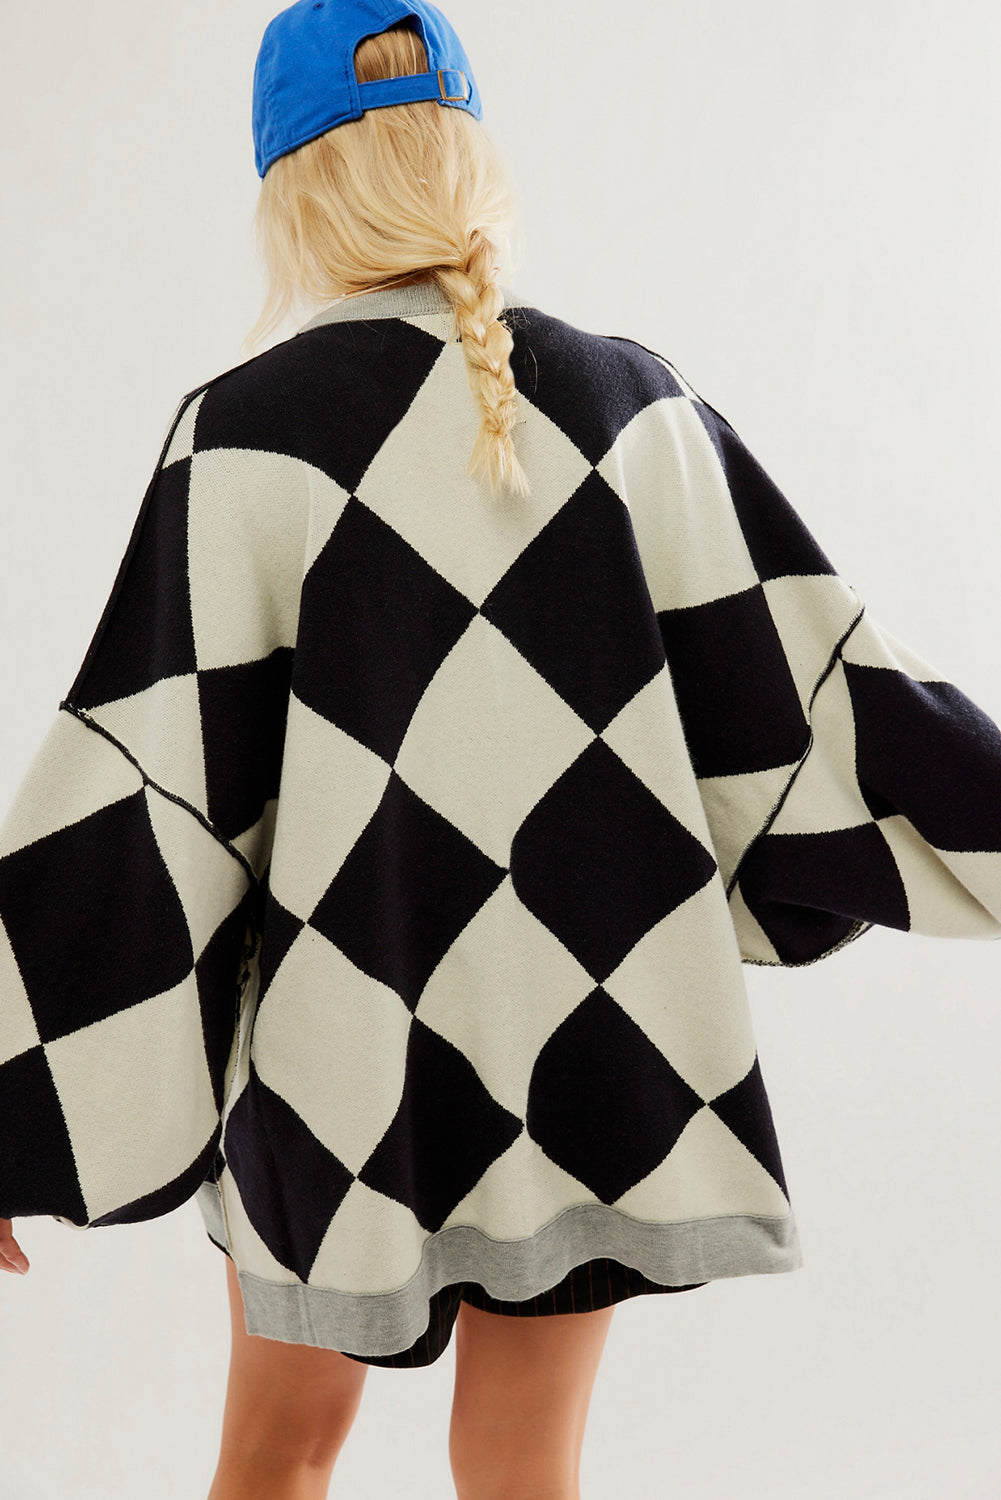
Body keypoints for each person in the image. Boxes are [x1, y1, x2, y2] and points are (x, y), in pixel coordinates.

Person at [2, 3, 1000, 1498]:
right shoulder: (633, 407)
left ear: (291, 194)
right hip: (594, 1040)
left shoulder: (244, 437)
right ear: (471, 160)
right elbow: (829, 692)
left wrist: (13, 1096)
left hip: (340, 1063)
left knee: (274, 1456)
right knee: (526, 1468)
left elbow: (143, 791)